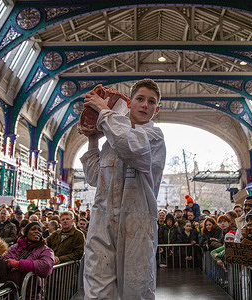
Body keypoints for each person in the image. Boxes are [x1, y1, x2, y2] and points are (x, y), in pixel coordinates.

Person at [80, 79, 165, 299]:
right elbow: (93, 178)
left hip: (137, 225)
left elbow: (131, 146)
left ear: (157, 109)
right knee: (98, 288)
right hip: (103, 222)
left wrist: (104, 111)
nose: (145, 105)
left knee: (136, 289)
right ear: (129, 102)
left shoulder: (154, 137)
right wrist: (92, 140)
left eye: (151, 102)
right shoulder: (110, 142)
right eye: (140, 99)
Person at [2, 221, 54, 298]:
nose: (37, 231)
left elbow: (46, 266)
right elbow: (5, 260)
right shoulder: (15, 247)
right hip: (13, 291)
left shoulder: (46, 250)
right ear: (26, 233)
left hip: (33, 293)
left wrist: (18, 264)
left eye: (39, 230)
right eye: (33, 229)